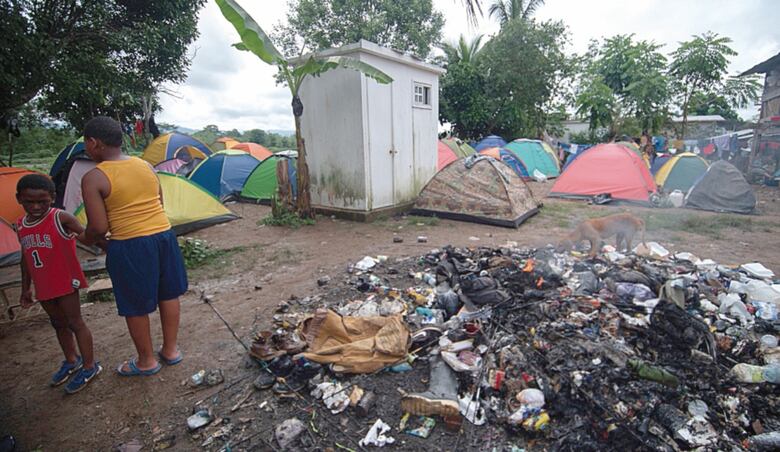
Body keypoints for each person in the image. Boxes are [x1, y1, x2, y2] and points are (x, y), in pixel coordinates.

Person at [79, 116, 187, 376]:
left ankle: (146, 361)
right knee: (168, 293)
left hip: (130, 244)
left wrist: (83, 238)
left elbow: (98, 227)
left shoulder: (94, 177)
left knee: (135, 304)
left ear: (93, 142)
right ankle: (171, 350)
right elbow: (158, 202)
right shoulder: (145, 165)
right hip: (163, 235)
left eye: (86, 144)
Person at [15, 174, 101, 393]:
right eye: (29, 201)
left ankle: (90, 366)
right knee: (57, 322)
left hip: (64, 281)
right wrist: (26, 287)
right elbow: (26, 256)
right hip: (44, 284)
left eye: (42, 201)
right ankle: (71, 360)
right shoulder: (21, 225)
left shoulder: (60, 218)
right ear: (19, 199)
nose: (35, 206)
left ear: (52, 198)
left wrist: (107, 244)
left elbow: (87, 237)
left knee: (75, 322)